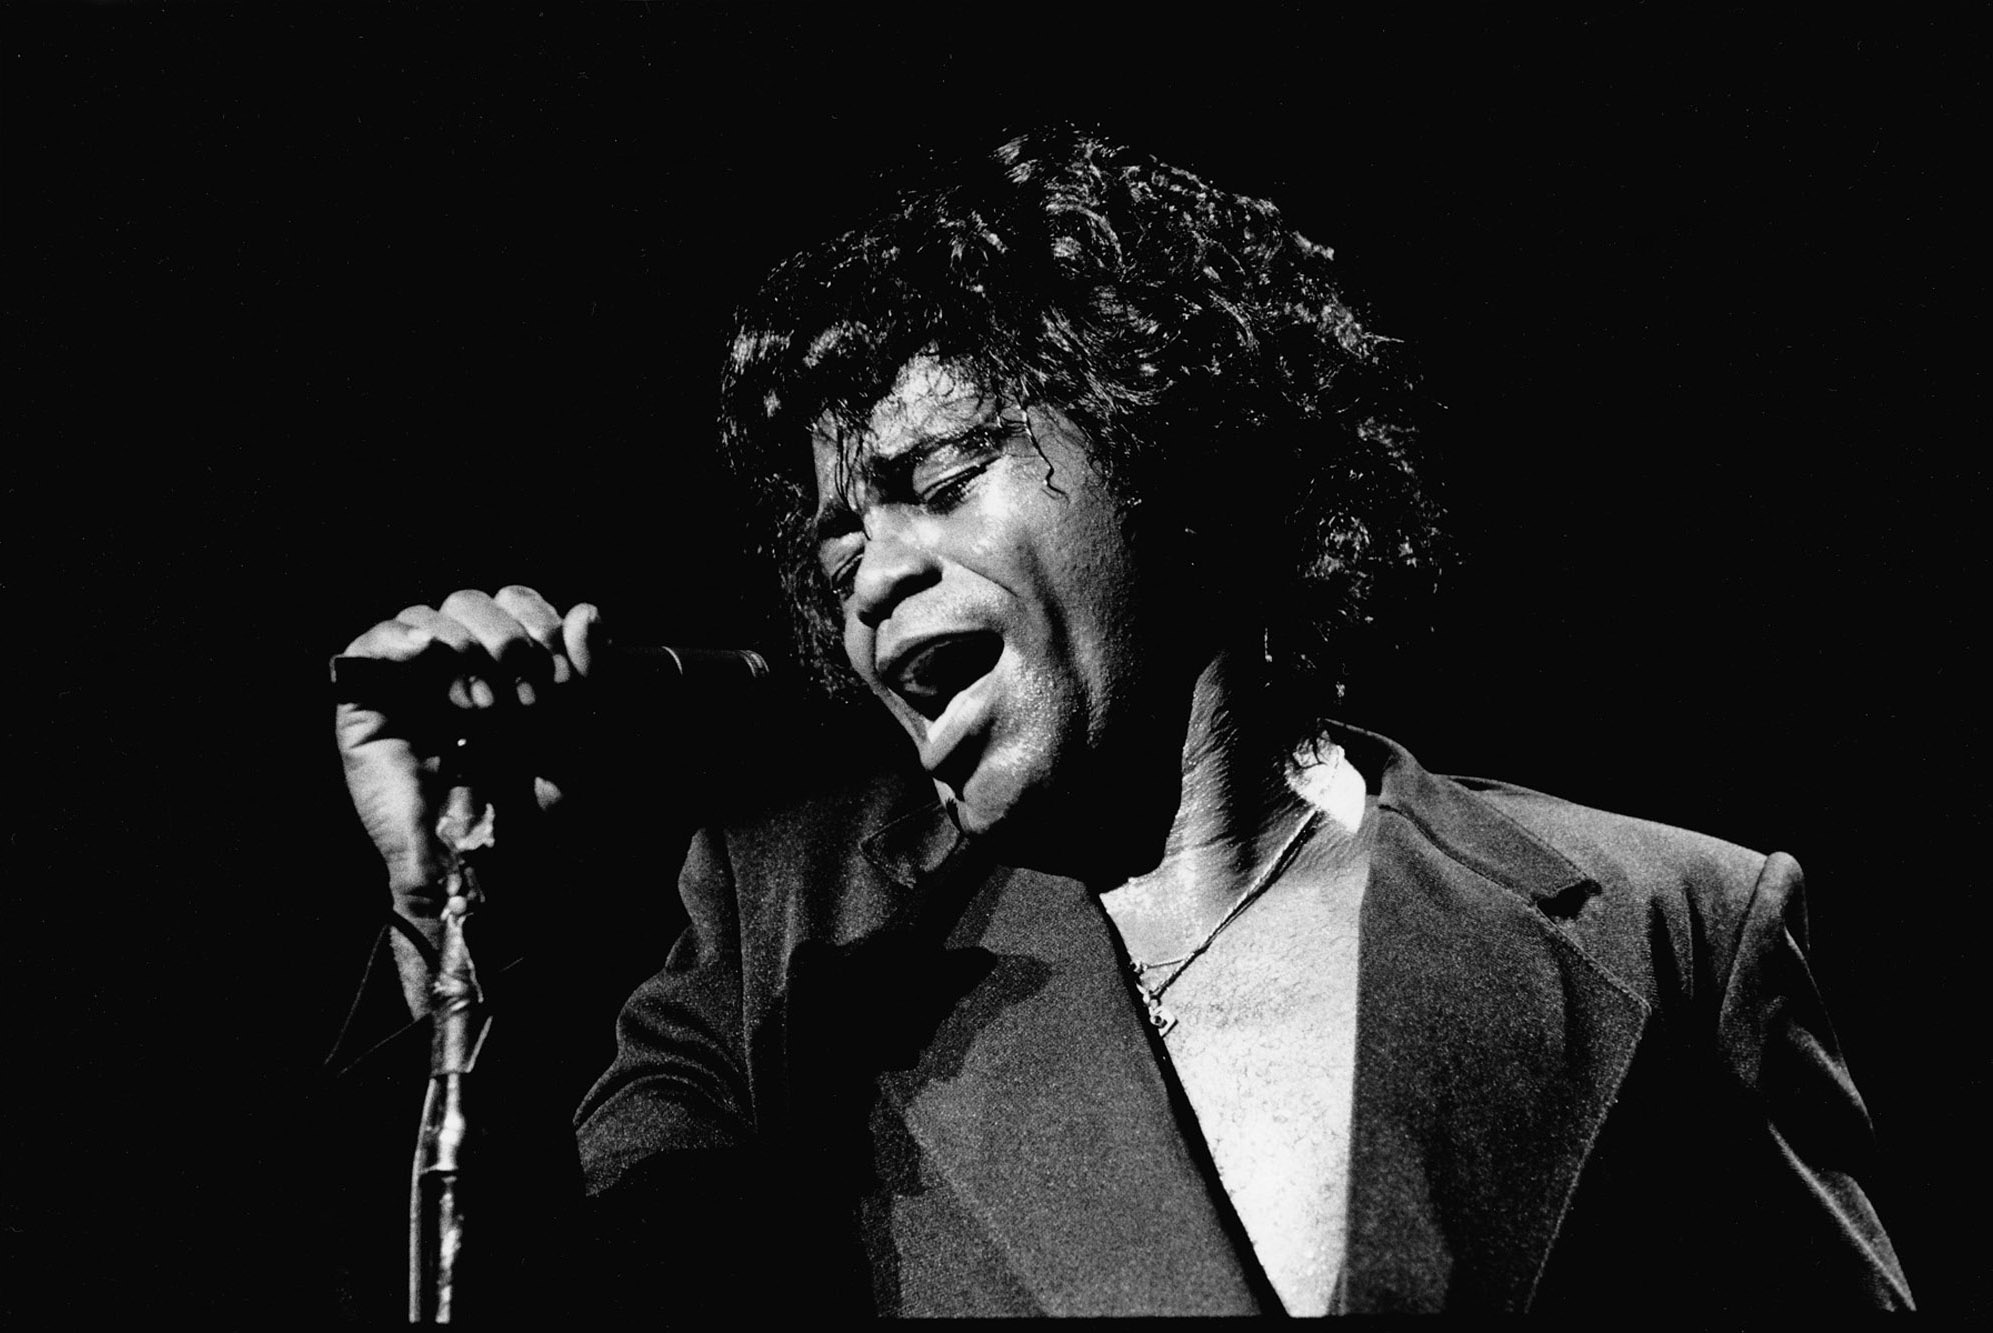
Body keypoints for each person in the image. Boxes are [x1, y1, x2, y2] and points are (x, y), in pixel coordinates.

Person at [324, 125, 1913, 1316]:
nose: (871, 574)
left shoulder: (1664, 923)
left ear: (1179, 454)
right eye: (834, 540)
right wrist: (450, 920)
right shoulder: (785, 946)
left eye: (939, 480)